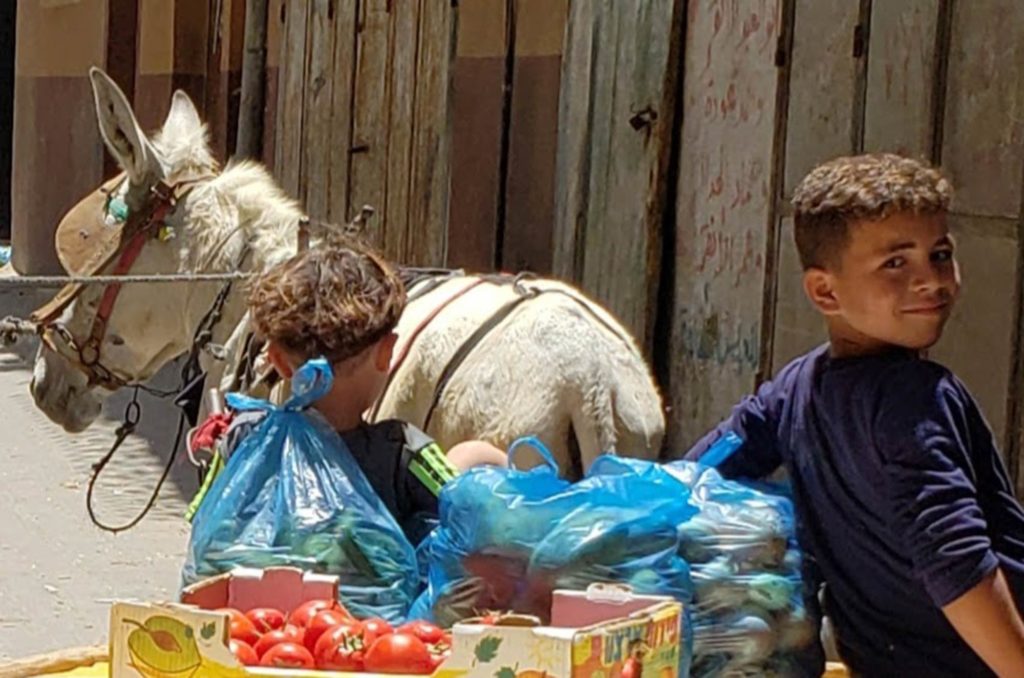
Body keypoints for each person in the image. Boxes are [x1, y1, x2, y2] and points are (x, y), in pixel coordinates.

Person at [685, 154, 1024, 676]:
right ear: (825, 291)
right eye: (895, 263)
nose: (930, 280)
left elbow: (697, 476)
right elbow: (956, 565)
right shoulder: (916, 399)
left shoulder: (793, 389)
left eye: (940, 254)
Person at [208, 239, 506, 545]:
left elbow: (205, 521)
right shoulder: (405, 454)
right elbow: (469, 521)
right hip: (369, 595)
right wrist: (472, 458)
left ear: (279, 362)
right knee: (476, 455)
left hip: (257, 592)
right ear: (386, 353)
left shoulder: (242, 438)